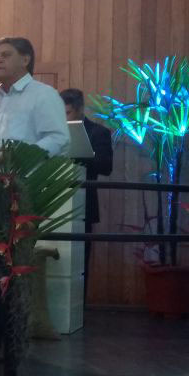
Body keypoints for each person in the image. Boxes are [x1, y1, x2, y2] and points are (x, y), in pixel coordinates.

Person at [0, 37, 69, 353]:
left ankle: (13, 337)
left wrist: (18, 156)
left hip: (15, 188)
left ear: (26, 59)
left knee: (9, 265)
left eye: (5, 55)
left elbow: (58, 139)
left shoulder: (43, 95)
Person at [60, 88, 114, 303]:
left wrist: (80, 153)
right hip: (52, 204)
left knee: (79, 263)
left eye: (67, 113)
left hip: (82, 205)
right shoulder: (53, 132)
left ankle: (78, 309)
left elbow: (106, 166)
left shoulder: (98, 133)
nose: (63, 118)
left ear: (80, 109)